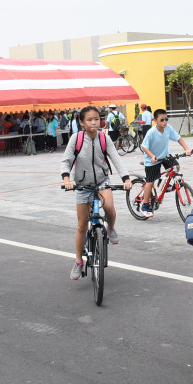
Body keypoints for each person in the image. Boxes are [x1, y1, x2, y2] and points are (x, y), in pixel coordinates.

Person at [60, 106, 132, 280]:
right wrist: (66, 180)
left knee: (109, 208)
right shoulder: (76, 139)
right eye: (90, 119)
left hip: (102, 181)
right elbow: (67, 160)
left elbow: (116, 158)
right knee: (82, 226)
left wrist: (126, 179)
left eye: (97, 119)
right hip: (82, 185)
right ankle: (78, 261)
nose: (94, 122)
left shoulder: (103, 138)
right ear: (82, 122)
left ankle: (111, 228)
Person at [139, 108, 193, 218]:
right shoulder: (151, 132)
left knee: (176, 167)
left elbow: (179, 138)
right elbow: (144, 146)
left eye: (166, 119)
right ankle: (145, 205)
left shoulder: (168, 128)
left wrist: (187, 149)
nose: (165, 122)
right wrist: (152, 156)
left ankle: (163, 183)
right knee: (150, 182)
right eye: (162, 120)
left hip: (165, 155)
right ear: (155, 120)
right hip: (152, 159)